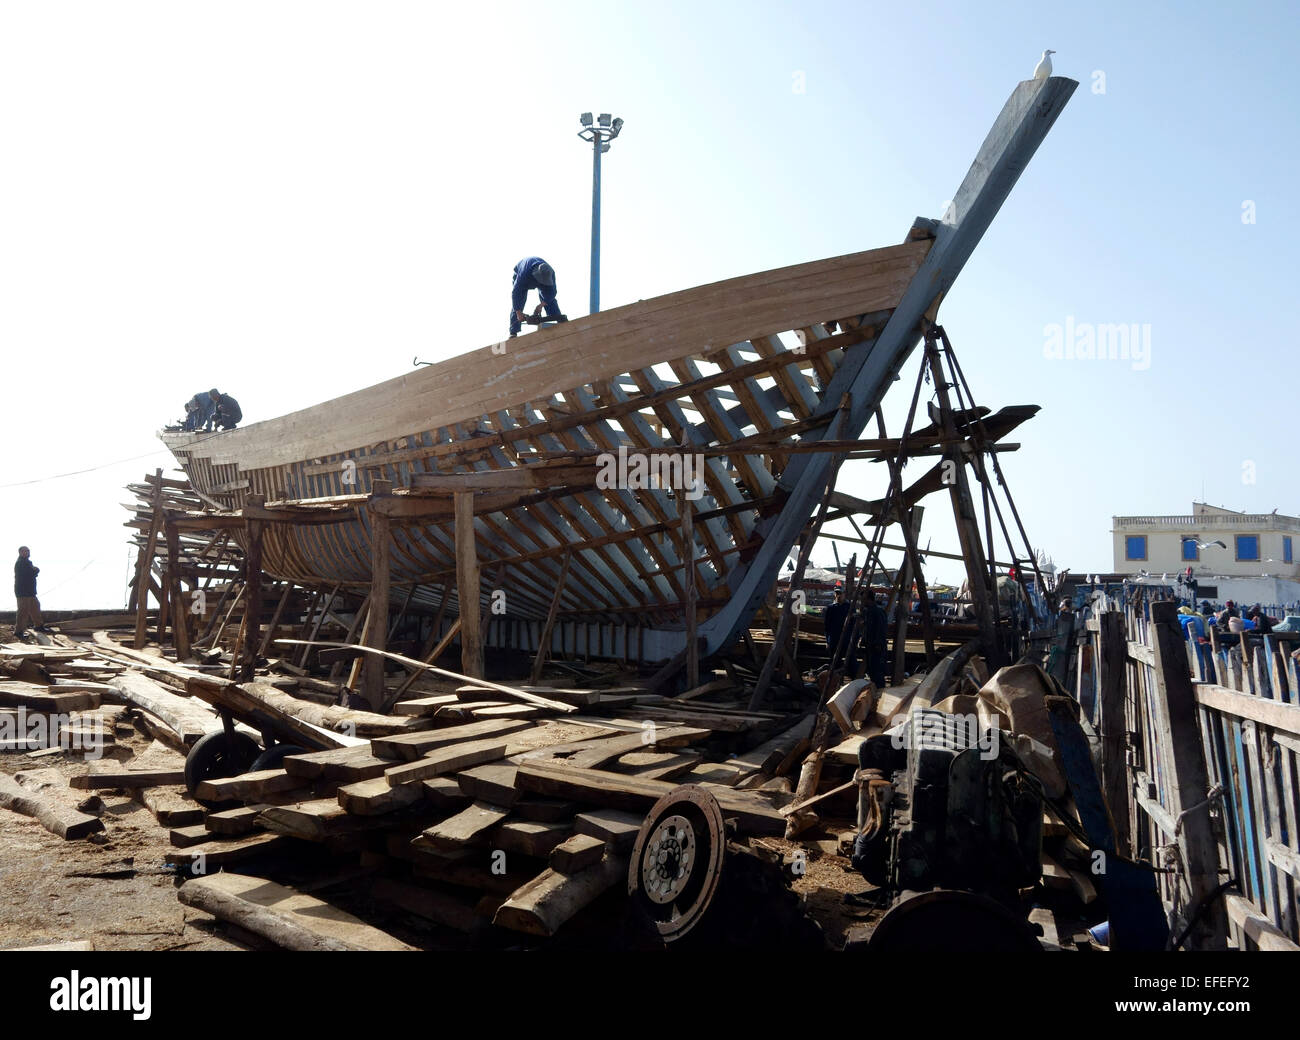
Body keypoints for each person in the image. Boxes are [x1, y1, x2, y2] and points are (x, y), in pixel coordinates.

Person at [509, 257, 565, 338]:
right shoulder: (523, 274)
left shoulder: (550, 273)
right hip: (524, 274)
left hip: (539, 276)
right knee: (518, 303)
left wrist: (541, 305)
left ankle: (558, 320)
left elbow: (552, 293)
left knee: (549, 299)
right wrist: (518, 312)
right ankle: (513, 332)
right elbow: (516, 293)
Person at [860, 593, 889, 688]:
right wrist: (863, 639)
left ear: (869, 599)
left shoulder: (878, 612)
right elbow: (867, 628)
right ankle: (875, 690)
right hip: (870, 645)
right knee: (872, 670)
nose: (862, 602)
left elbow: (881, 629)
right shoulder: (868, 612)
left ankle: (880, 691)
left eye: (864, 599)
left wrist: (877, 643)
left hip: (877, 646)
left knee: (877, 671)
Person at [14, 546, 44, 638]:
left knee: (35, 607)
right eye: (24, 551)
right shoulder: (21, 563)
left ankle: (38, 626)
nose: (27, 552)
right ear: (20, 552)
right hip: (23, 592)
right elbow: (30, 573)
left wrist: (34, 570)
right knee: (23, 612)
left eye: (28, 551)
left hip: (30, 592)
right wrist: (36, 570)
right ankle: (19, 631)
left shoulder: (27, 562)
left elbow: (32, 572)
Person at [824, 589, 850, 659]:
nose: (838, 595)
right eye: (837, 593)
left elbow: (852, 624)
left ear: (844, 595)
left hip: (845, 638)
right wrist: (827, 641)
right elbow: (827, 625)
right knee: (833, 658)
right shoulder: (831, 608)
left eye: (840, 593)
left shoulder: (849, 607)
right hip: (833, 638)